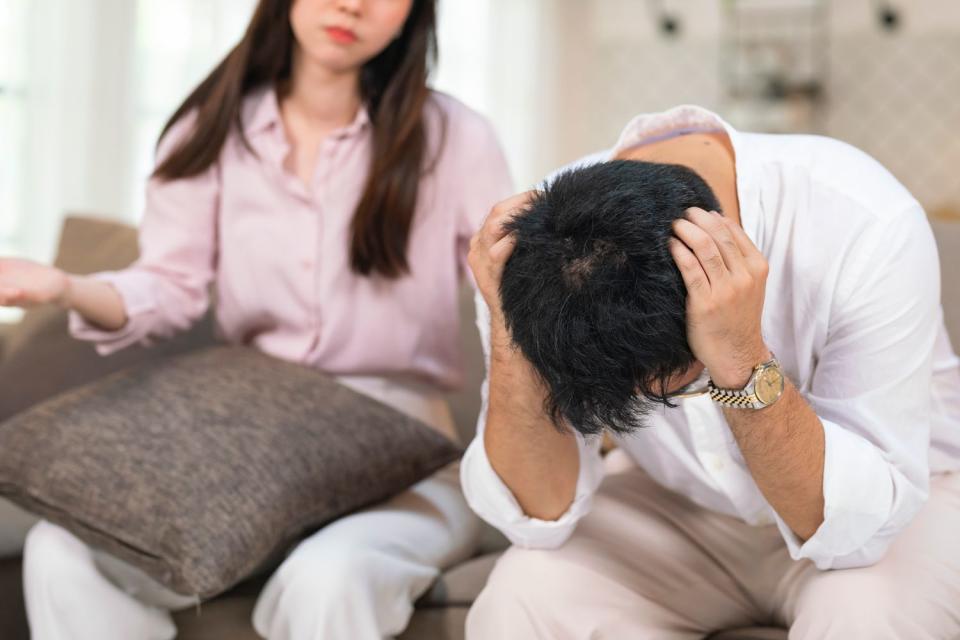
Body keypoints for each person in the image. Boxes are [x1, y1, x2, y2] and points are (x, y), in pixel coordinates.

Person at [0, 0, 513, 638]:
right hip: (253, 452)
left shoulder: (455, 136)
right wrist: (67, 287)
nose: (351, 4)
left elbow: (511, 291)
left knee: (330, 577)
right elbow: (170, 286)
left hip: (406, 457)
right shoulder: (210, 130)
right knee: (63, 547)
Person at [462, 104, 960, 638]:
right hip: (679, 505)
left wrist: (738, 355)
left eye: (682, 386)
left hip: (897, 503)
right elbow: (536, 515)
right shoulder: (535, 255)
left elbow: (851, 530)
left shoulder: (863, 219)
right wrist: (510, 328)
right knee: (520, 601)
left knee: (868, 622)